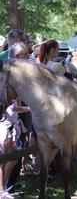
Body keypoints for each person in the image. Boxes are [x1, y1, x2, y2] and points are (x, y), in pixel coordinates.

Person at [0, 42, 31, 197]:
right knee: (4, 156)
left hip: (14, 122)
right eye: (25, 55)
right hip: (5, 123)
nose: (28, 58)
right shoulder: (6, 73)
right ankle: (1, 190)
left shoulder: (17, 77)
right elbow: (10, 105)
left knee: (12, 158)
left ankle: (4, 188)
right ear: (17, 56)